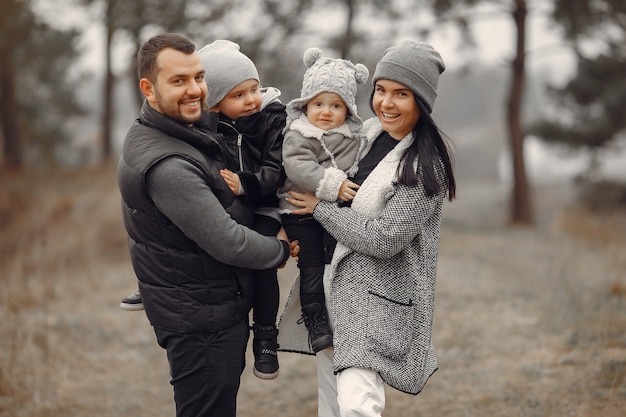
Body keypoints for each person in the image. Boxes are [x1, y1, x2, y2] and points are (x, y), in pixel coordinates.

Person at [116, 33, 294, 417]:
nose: (194, 89)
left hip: (203, 307)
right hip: (202, 322)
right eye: (178, 81)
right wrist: (282, 248)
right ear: (149, 88)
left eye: (199, 77)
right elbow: (228, 241)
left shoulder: (172, 131)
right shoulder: (170, 165)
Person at [285, 40, 456, 416]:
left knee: (357, 406)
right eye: (381, 90)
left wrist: (320, 210)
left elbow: (385, 238)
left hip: (376, 303)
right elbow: (307, 167)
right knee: (330, 401)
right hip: (332, 286)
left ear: (421, 103)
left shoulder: (425, 165)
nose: (386, 103)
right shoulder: (364, 135)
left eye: (402, 94)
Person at [196, 39, 287, 380]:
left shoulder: (272, 118)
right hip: (231, 203)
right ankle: (155, 285)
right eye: (239, 95)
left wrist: (246, 183)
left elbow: (277, 169)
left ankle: (265, 336)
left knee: (263, 257)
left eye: (254, 89)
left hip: (266, 202)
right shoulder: (208, 127)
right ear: (216, 103)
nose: (251, 100)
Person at [276, 47, 369, 353]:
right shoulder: (298, 134)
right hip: (300, 210)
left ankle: (345, 315)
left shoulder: (352, 137)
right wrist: (335, 185)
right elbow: (299, 168)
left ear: (348, 110)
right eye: (318, 103)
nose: (326, 112)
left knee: (339, 262)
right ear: (306, 105)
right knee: (312, 263)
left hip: (332, 211)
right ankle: (314, 320)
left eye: (336, 105)